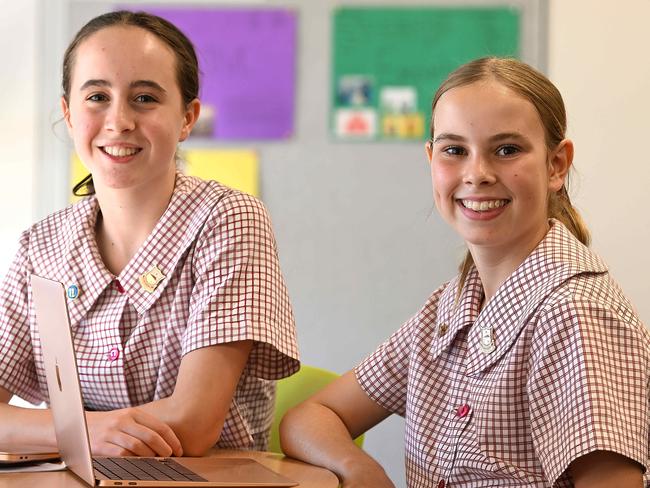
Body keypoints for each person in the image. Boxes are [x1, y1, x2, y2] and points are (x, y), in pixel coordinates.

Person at [280, 57, 649, 487]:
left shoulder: (577, 314)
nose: (477, 174)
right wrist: (360, 470)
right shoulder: (449, 307)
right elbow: (311, 416)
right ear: (430, 159)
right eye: (454, 150)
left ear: (556, 165)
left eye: (507, 149)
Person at [0, 10, 299, 457]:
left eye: (144, 98)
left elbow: (194, 425)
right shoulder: (38, 246)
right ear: (67, 113)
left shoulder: (231, 218)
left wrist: (66, 430)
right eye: (97, 96)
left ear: (187, 118)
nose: (118, 120)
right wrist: (87, 431)